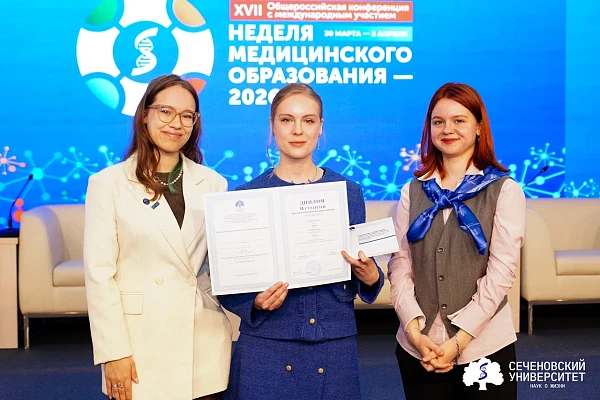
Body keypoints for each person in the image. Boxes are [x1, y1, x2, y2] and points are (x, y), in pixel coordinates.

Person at [218, 83, 384, 400]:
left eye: (308, 120)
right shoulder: (246, 197)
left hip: (333, 345)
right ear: (272, 126)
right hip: (266, 344)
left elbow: (364, 266)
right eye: (287, 120)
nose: (298, 130)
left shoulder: (348, 192)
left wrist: (370, 274)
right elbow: (229, 282)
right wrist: (254, 303)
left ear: (320, 127)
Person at [84, 74, 232, 400]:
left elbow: (221, 266)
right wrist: (113, 352)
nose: (176, 123)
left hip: (202, 340)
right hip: (140, 346)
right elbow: (99, 276)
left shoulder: (214, 184)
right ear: (144, 115)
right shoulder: (108, 184)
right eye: (166, 111)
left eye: (187, 115)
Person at [388, 82, 525, 399]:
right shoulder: (412, 191)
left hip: (485, 349)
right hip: (418, 349)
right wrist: (414, 332)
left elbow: (501, 274)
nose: (447, 129)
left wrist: (458, 341)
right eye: (438, 122)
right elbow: (400, 265)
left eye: (459, 120)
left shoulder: (505, 190)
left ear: (478, 127)